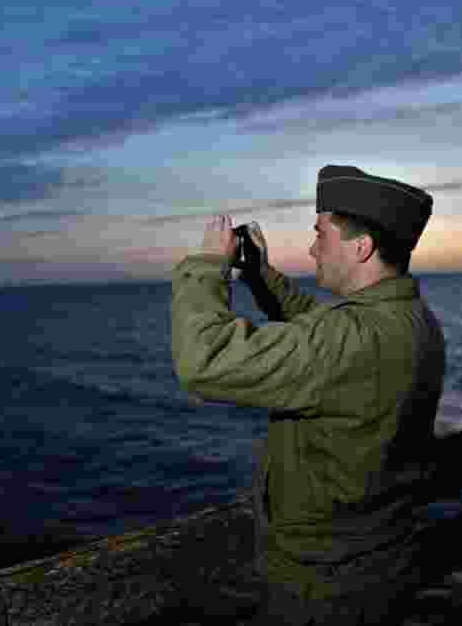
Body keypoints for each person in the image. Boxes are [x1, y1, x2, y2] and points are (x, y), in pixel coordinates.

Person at [170, 164, 446, 625]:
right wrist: (259, 275)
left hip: (324, 590)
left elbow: (205, 360)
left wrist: (208, 267)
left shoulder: (353, 337)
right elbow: (319, 331)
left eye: (321, 235)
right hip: (380, 563)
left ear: (362, 247)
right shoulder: (411, 319)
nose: (312, 248)